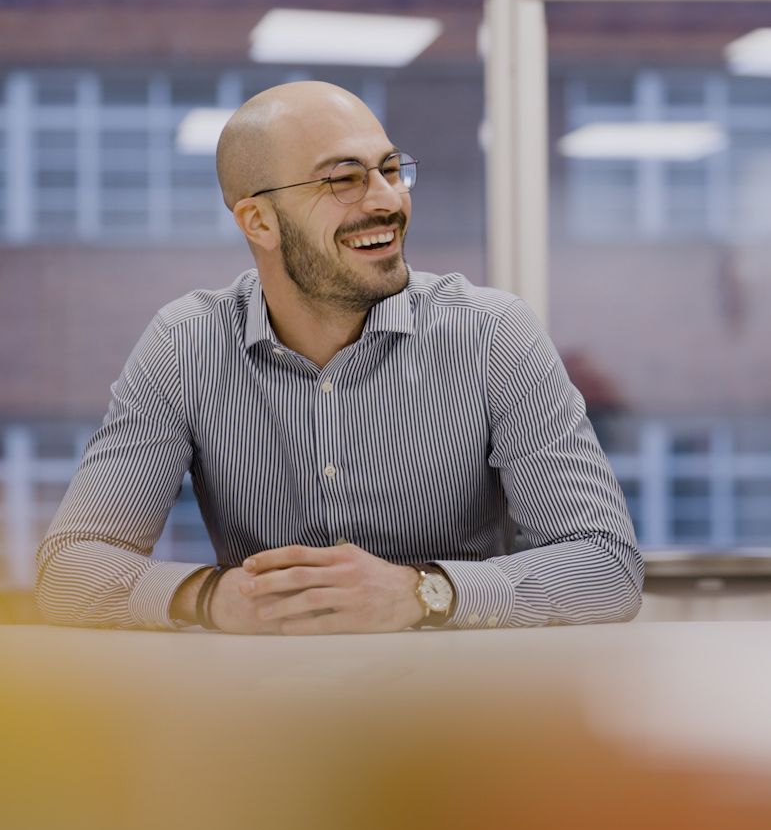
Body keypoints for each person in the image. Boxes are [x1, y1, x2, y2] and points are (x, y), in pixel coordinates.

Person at [36, 81, 643, 634]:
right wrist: (213, 597)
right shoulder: (186, 343)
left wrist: (423, 591)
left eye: (389, 170)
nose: (387, 200)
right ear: (259, 220)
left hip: (464, 711)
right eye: (344, 178)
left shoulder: (490, 333)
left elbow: (607, 565)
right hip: (259, 709)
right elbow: (70, 571)